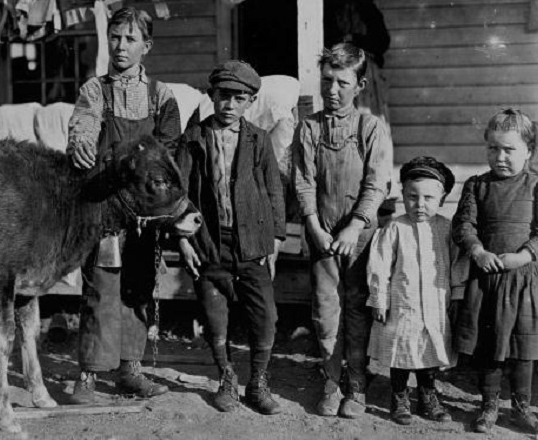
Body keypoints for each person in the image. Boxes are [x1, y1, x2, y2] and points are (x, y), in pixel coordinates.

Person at [65, 7, 181, 404]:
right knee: (101, 287)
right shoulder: (95, 90)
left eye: (130, 39)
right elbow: (83, 125)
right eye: (115, 37)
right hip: (106, 210)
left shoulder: (161, 96)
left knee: (138, 287)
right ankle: (89, 376)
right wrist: (80, 143)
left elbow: (169, 152)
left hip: (145, 212)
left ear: (145, 46)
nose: (120, 46)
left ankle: (130, 369)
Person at [176, 60, 285, 415]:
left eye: (240, 98)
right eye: (224, 96)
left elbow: (273, 191)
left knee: (265, 314)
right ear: (212, 95)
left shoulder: (259, 139)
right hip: (210, 241)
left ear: (250, 101)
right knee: (214, 315)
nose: (230, 105)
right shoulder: (193, 139)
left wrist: (276, 240)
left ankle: (258, 381)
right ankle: (225, 377)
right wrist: (183, 239)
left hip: (252, 242)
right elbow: (180, 192)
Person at [292, 43, 391, 419]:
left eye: (342, 83)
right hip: (322, 235)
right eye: (327, 81)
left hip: (360, 237)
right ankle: (331, 381)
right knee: (326, 310)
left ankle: (358, 385)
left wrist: (355, 225)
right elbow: (303, 182)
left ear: (360, 84)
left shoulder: (371, 128)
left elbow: (376, 183)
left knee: (357, 309)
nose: (332, 91)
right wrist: (314, 226)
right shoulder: (309, 127)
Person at [453, 108, 538, 435]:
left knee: (522, 348)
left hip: (523, 282)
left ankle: (521, 408)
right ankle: (489, 405)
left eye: (509, 149)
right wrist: (477, 250)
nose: (500, 156)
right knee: (488, 345)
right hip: (488, 279)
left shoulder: (537, 186)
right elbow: (463, 225)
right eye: (493, 148)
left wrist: (524, 256)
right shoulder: (478, 186)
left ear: (529, 151)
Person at [367, 156, 462, 425]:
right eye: (412, 197)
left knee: (428, 352)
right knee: (400, 352)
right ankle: (399, 398)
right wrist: (379, 298)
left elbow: (457, 264)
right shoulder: (395, 227)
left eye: (429, 198)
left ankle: (427, 396)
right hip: (401, 305)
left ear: (442, 200)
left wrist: (456, 296)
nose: (420, 205)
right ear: (403, 196)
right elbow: (379, 265)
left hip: (434, 305)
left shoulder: (446, 228)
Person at [324, 0, 390, 125]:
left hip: (365, 70)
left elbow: (382, 42)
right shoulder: (333, 8)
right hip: (340, 69)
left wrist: (355, 39)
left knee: (368, 117)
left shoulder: (369, 10)